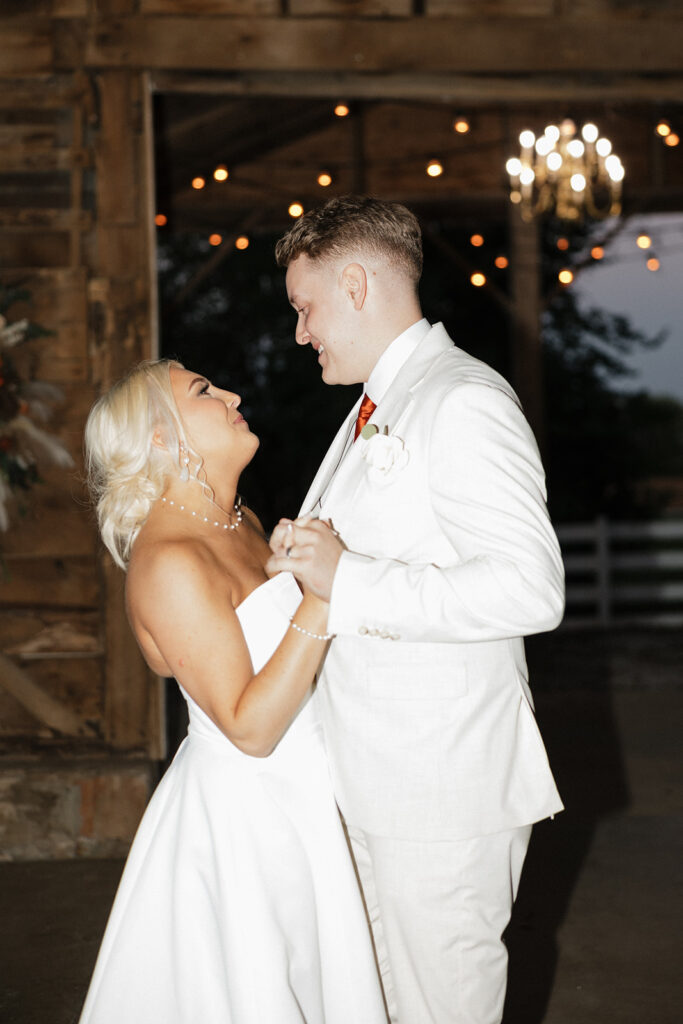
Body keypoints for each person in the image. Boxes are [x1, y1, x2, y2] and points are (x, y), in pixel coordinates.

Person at [267, 195, 566, 1024]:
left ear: (356, 284)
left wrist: (348, 577)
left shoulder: (461, 399)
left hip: (439, 791)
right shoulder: (377, 405)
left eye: (305, 307)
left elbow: (530, 587)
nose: (299, 332)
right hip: (377, 777)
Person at [78, 359, 387, 1024]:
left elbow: (178, 661)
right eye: (203, 392)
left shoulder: (235, 518)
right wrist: (318, 598)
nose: (232, 395)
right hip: (251, 824)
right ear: (160, 439)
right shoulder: (169, 559)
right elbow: (247, 729)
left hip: (309, 795)